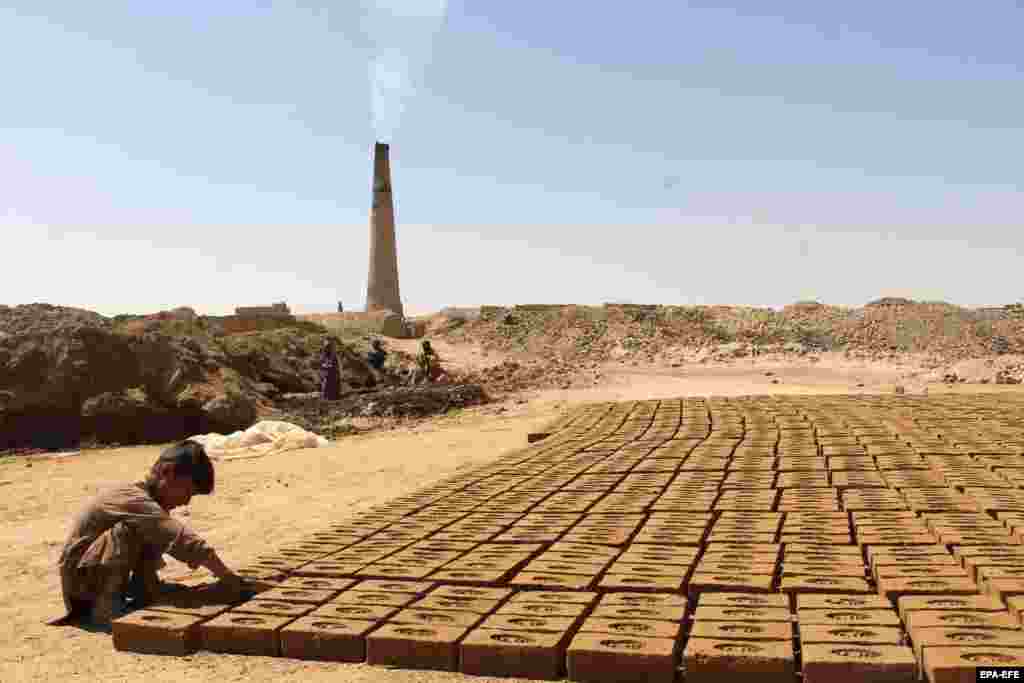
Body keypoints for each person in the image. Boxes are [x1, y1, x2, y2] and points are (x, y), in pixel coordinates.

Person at [51, 441, 245, 627]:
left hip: (89, 582)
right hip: (81, 590)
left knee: (154, 527)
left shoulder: (150, 503)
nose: (186, 501)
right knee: (143, 528)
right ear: (165, 472)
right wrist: (227, 577)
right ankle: (106, 606)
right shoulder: (131, 497)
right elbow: (182, 538)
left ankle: (145, 590)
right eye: (186, 490)